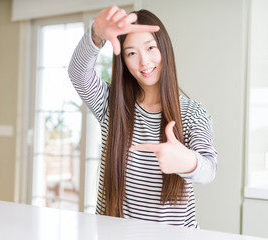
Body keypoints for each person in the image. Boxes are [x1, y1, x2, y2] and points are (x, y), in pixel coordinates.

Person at [68, 5, 217, 228]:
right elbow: (78, 74)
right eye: (131, 53)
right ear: (123, 61)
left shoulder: (192, 112)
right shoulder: (111, 105)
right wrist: (96, 35)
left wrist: (187, 161)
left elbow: (209, 169)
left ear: (164, 49)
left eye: (150, 48)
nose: (144, 62)